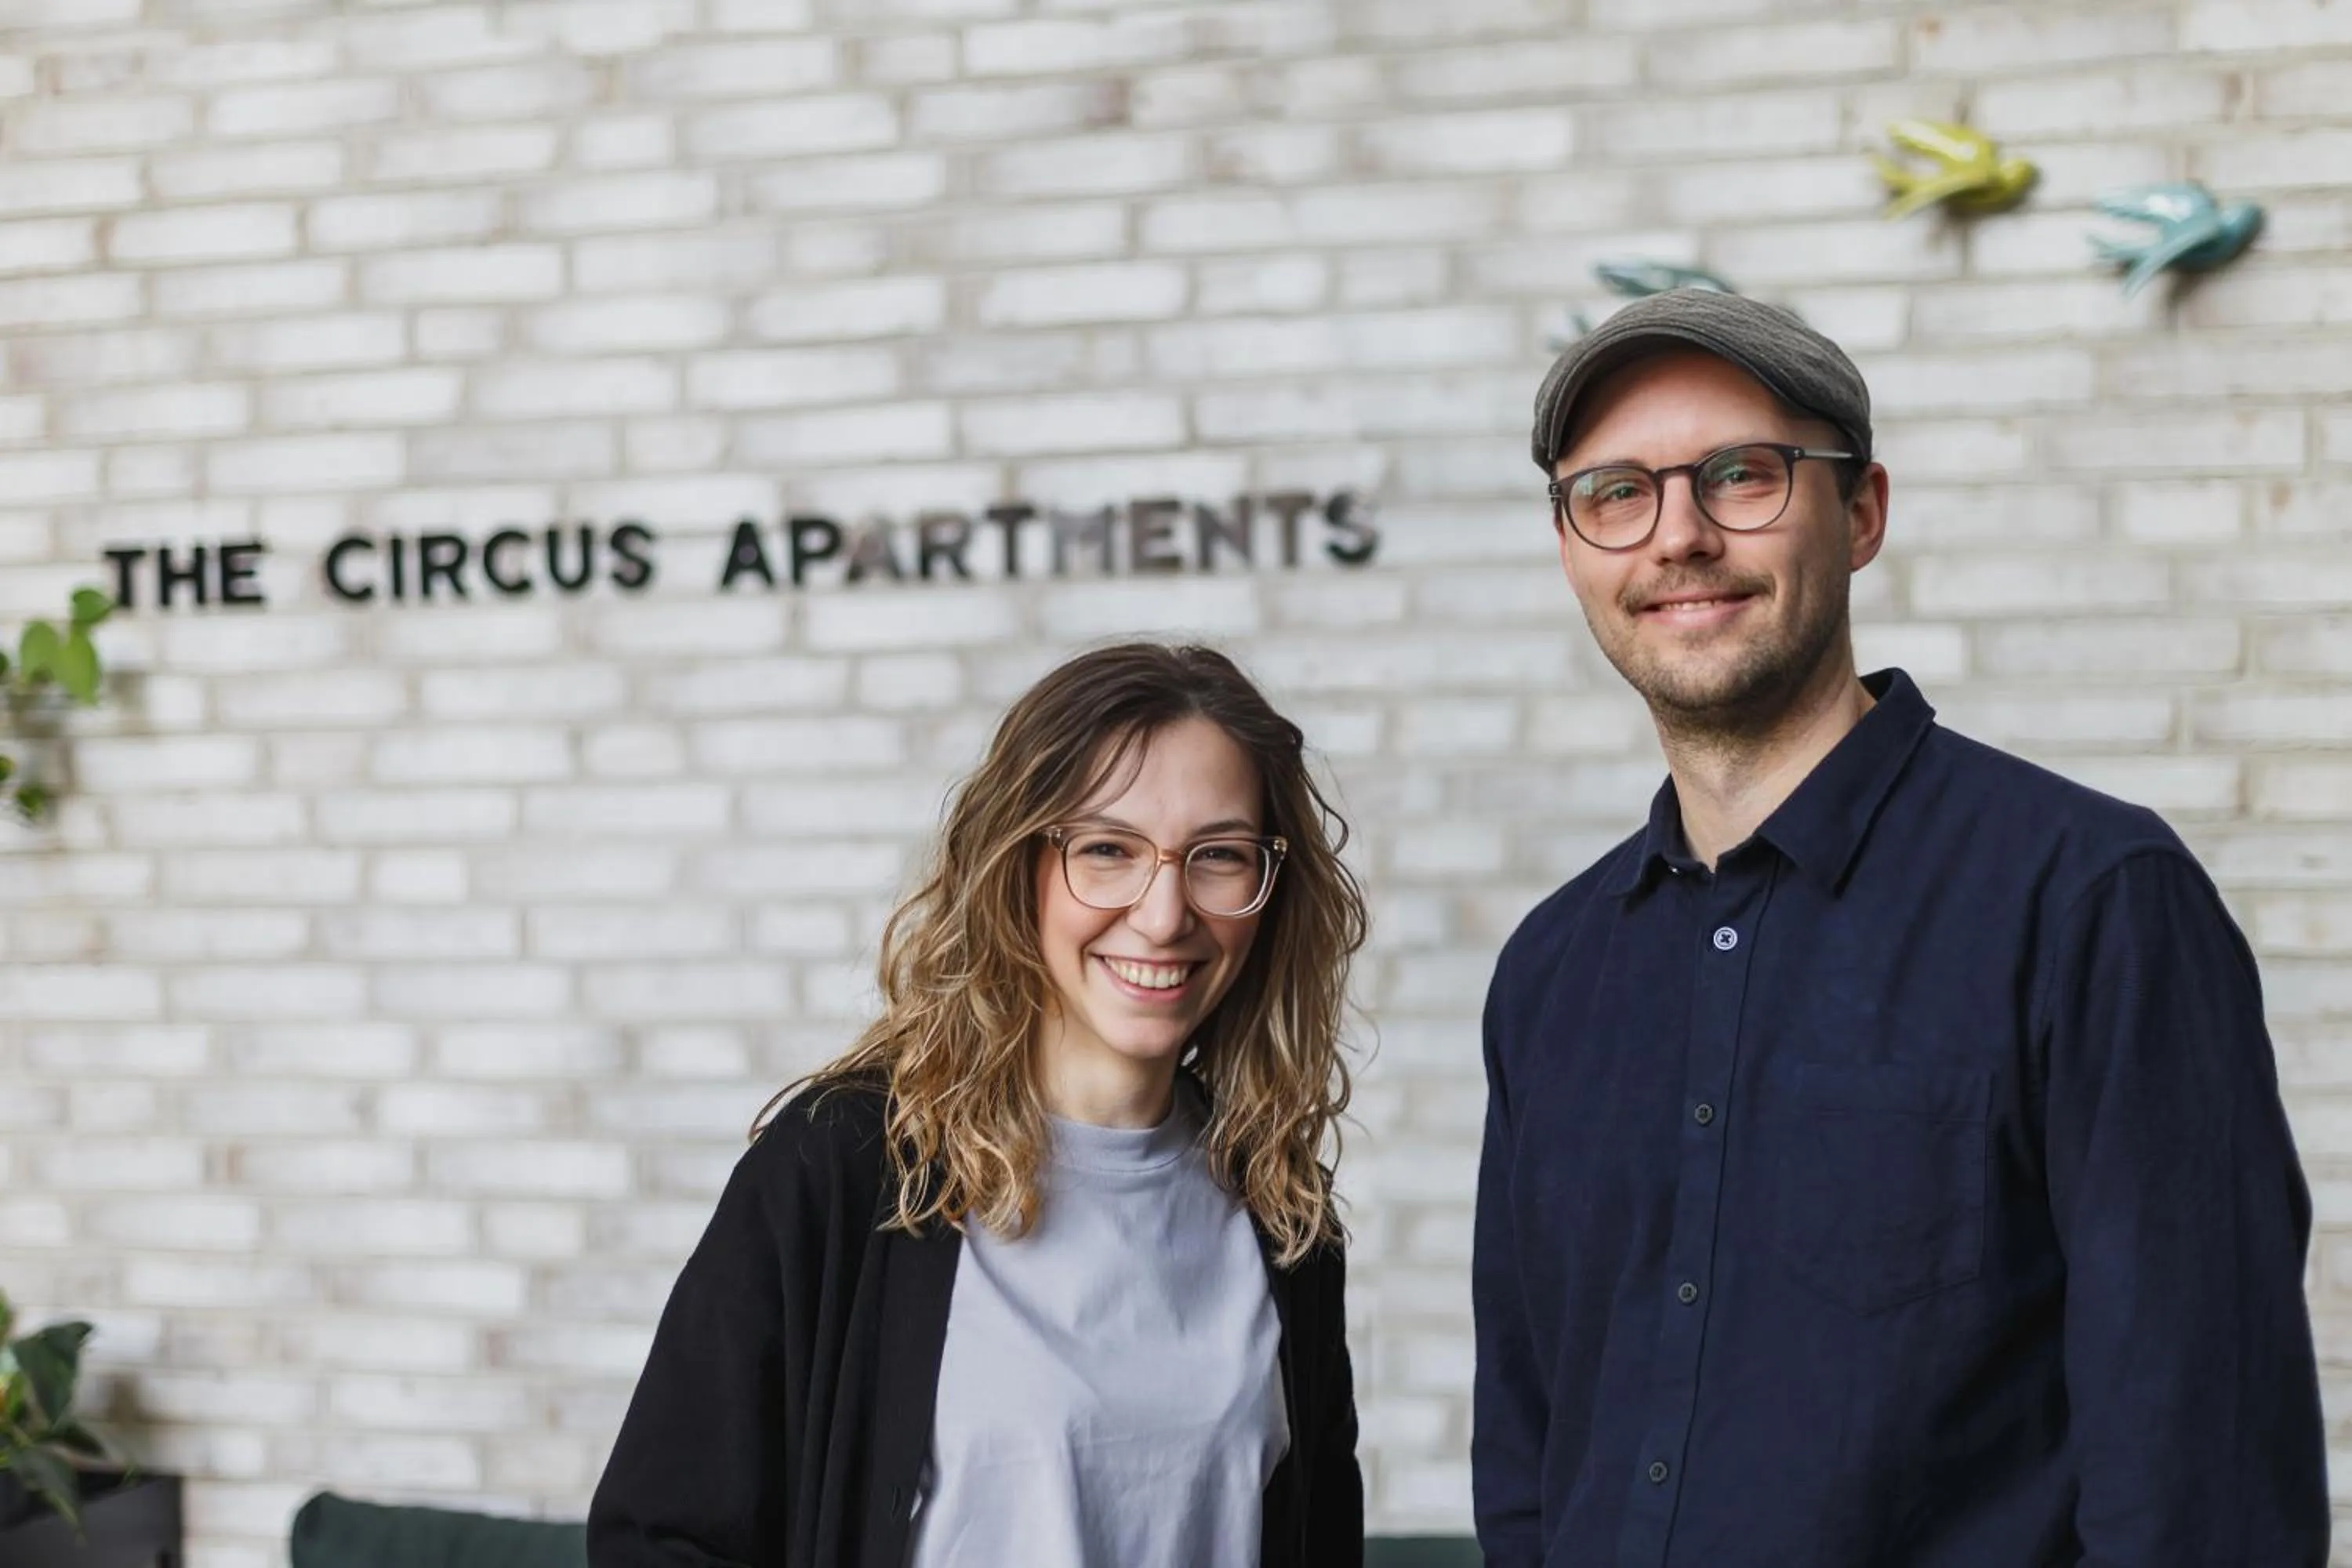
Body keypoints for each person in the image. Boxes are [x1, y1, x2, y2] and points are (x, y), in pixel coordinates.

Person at [1473, 290, 2328, 1566]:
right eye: (1616, 493)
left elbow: (2202, 1482)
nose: (1680, 536)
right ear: (1570, 548)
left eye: (1741, 476)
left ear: (1862, 511)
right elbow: (1533, 1452)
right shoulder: (1553, 972)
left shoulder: (2092, 901)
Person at [589, 641, 1367, 1568]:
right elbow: (660, 1539)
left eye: (1220, 856)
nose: (1164, 913)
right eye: (1106, 848)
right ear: (1019, 866)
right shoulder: (844, 1168)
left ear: (1271, 892)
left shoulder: (1284, 1219)